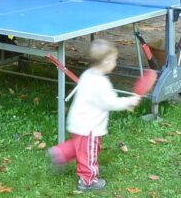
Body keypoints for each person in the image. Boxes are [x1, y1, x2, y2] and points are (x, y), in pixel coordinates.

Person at [47, 39, 141, 192]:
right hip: (90, 127)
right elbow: (110, 103)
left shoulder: (87, 74)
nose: (115, 63)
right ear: (107, 61)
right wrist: (129, 101)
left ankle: (61, 153)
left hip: (78, 122)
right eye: (115, 60)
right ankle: (87, 181)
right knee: (89, 153)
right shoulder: (101, 83)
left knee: (79, 146)